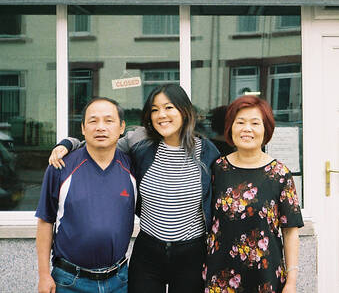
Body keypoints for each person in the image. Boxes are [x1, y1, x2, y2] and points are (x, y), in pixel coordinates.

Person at [49, 84, 220, 293]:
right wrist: (68, 143)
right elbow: (99, 143)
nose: (161, 115)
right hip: (149, 251)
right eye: (155, 110)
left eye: (168, 107)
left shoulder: (207, 152)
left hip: (191, 253)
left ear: (184, 111)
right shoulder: (139, 142)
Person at [204, 95, 303, 293]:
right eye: (240, 122)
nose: (246, 129)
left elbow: (290, 230)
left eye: (255, 123)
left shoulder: (280, 174)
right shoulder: (217, 169)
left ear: (266, 129)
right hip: (221, 277)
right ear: (230, 128)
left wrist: (291, 281)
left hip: (266, 277)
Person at [35, 97, 135, 293]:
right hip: (69, 281)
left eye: (109, 121)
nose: (100, 127)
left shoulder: (133, 167)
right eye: (93, 121)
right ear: (82, 128)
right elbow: (45, 221)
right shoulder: (60, 167)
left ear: (121, 127)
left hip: (119, 281)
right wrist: (44, 274)